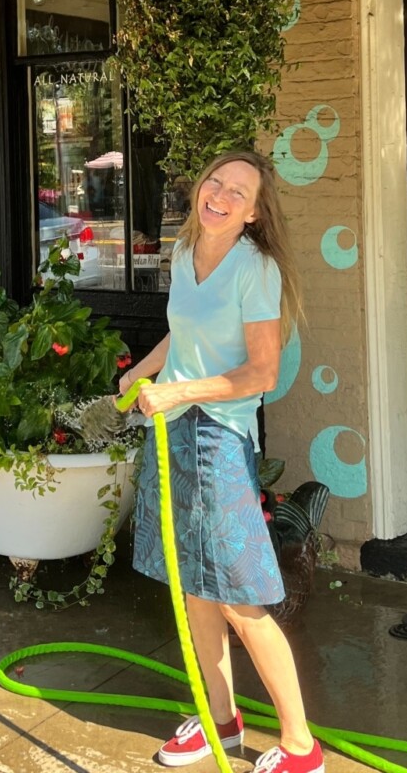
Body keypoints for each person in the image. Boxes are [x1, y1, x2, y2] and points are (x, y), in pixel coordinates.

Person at [117, 150, 322, 773]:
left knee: (238, 598)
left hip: (217, 440)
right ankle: (220, 722)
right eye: (216, 181)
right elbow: (184, 335)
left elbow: (260, 371)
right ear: (201, 187)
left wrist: (177, 391)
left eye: (239, 191)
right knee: (194, 592)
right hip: (170, 433)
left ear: (255, 212)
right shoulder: (183, 254)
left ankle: (300, 747)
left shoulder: (255, 269)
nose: (222, 194)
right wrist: (135, 377)